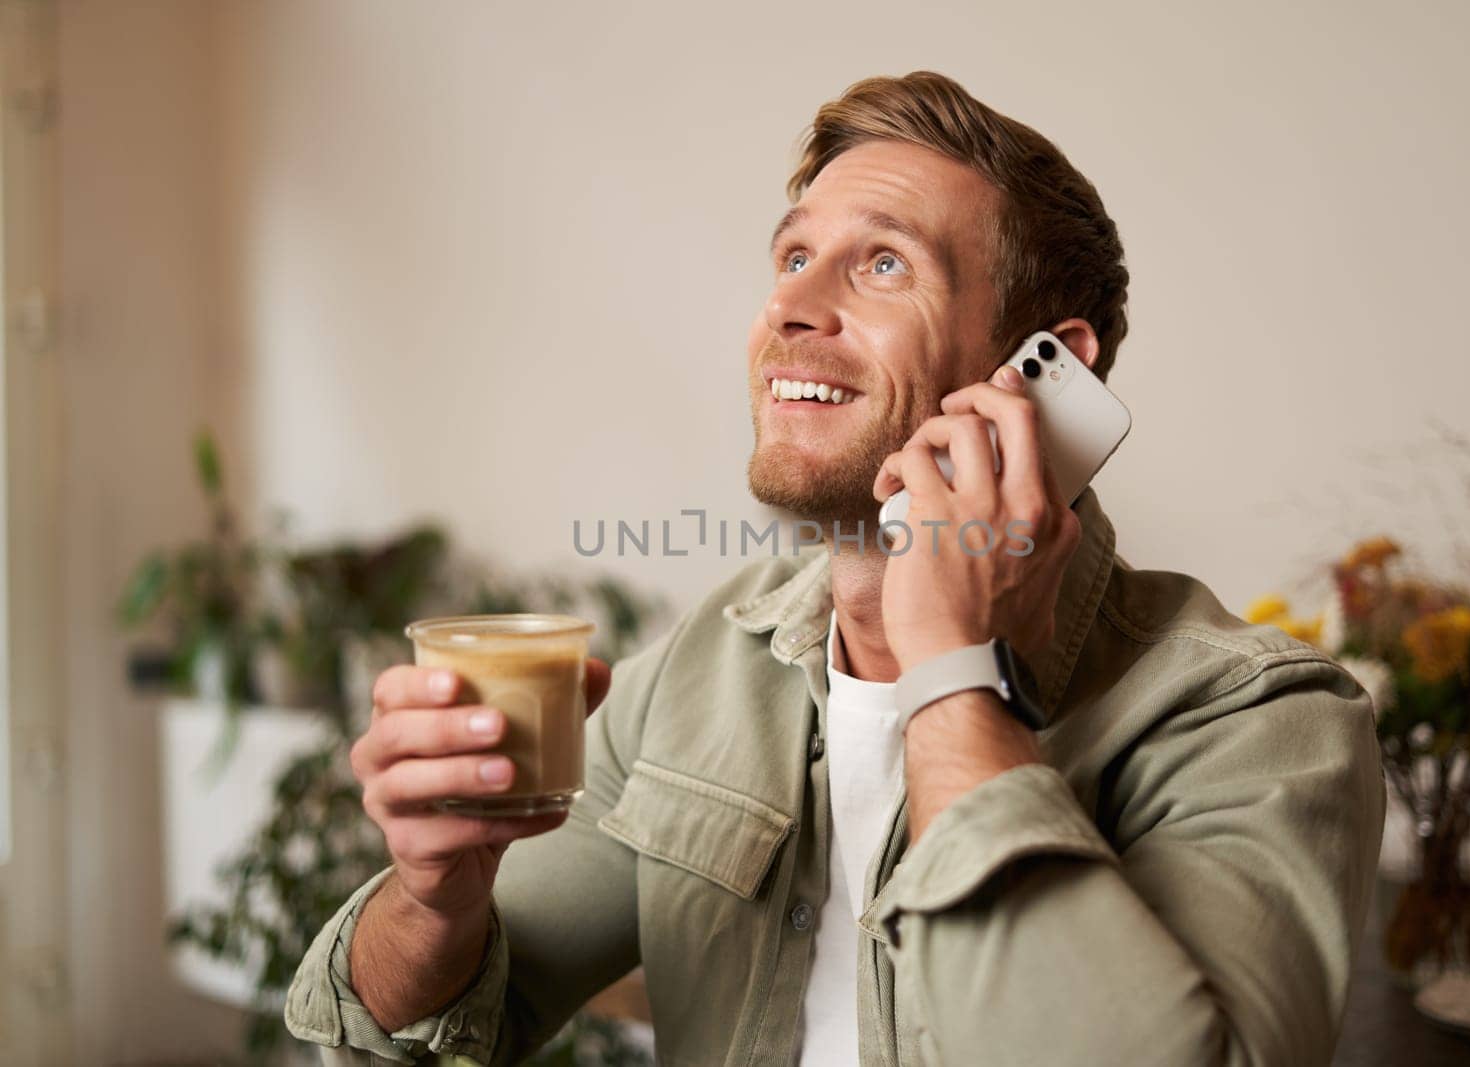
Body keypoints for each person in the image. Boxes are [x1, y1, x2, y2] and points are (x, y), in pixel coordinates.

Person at [286, 70, 1385, 1066]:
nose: (793, 309)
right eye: (794, 256)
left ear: (1040, 374)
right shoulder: (702, 671)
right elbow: (400, 1045)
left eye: (883, 263)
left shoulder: (1257, 722)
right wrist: (434, 894)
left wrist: (952, 668)